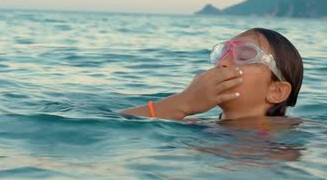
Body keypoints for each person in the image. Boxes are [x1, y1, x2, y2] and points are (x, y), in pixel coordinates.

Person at [121, 28, 304, 124]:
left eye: (246, 55)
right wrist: (183, 103)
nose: (222, 63)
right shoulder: (201, 126)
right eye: (223, 52)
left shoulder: (287, 132)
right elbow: (121, 123)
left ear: (277, 91)